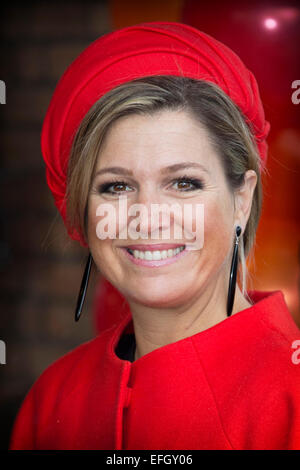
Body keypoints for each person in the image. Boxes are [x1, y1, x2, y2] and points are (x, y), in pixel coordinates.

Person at [9, 22, 300, 450]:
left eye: (183, 183)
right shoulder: (51, 397)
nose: (148, 219)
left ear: (242, 197)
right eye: (116, 186)